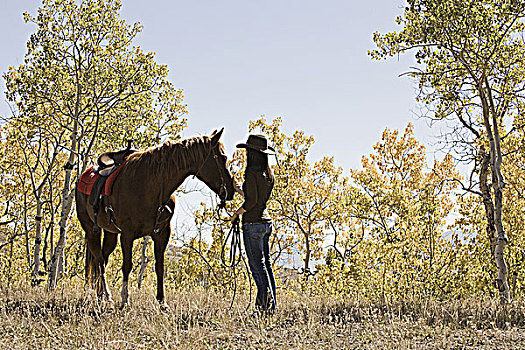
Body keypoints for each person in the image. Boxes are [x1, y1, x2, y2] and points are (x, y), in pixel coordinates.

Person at [231, 134, 277, 312]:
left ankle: (264, 306)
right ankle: (271, 304)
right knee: (266, 265)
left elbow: (250, 203)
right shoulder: (268, 174)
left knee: (257, 267)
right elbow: (256, 198)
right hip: (265, 223)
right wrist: (238, 189)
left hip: (252, 224)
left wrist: (236, 213)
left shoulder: (251, 172)